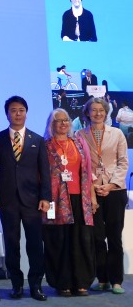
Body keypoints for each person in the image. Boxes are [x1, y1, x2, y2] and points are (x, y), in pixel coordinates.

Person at [0, 96, 51, 301]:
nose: (17, 114)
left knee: (35, 244)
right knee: (12, 244)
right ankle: (16, 285)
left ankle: (36, 285)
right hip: (7, 200)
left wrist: (46, 197)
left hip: (33, 200)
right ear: (7, 113)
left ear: (26, 113)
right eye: (13, 110)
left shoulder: (37, 140)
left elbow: (45, 171)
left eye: (21, 110)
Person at [76, 97, 129, 294]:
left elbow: (123, 162)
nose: (97, 113)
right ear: (87, 113)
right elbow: (81, 163)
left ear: (106, 113)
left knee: (114, 237)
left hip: (115, 190)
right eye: (93, 110)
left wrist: (110, 184)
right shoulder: (79, 135)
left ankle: (116, 280)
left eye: (101, 110)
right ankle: (103, 278)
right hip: (92, 192)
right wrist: (95, 184)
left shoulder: (117, 134)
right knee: (97, 238)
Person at [42, 108, 97, 297]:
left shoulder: (79, 143)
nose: (63, 123)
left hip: (79, 199)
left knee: (81, 241)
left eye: (66, 120)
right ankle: (62, 283)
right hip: (56, 201)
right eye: (58, 120)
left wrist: (92, 198)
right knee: (60, 242)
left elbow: (88, 172)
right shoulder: (46, 145)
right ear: (52, 124)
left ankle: (81, 283)